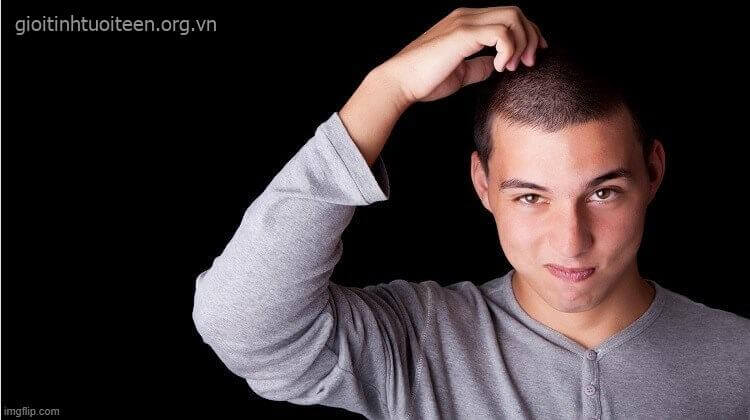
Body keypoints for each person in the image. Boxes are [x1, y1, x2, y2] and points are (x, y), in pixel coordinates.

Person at [192, 6, 750, 419]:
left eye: (603, 193)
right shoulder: (417, 344)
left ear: (653, 172)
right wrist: (385, 88)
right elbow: (242, 322)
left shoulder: (740, 358)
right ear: (483, 184)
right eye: (530, 197)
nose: (571, 241)